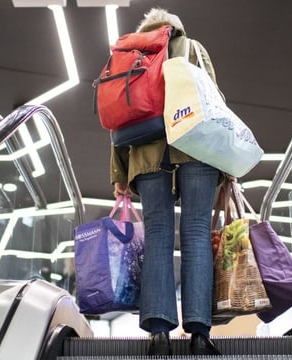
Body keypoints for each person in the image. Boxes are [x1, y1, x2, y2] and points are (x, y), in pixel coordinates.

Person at [110, 8, 223, 356]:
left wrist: (119, 174)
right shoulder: (192, 48)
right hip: (195, 150)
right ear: (175, 28)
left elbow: (115, 117)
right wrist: (227, 159)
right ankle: (199, 334)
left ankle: (158, 333)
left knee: (158, 235)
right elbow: (213, 101)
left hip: (145, 155)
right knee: (196, 232)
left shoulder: (129, 57)